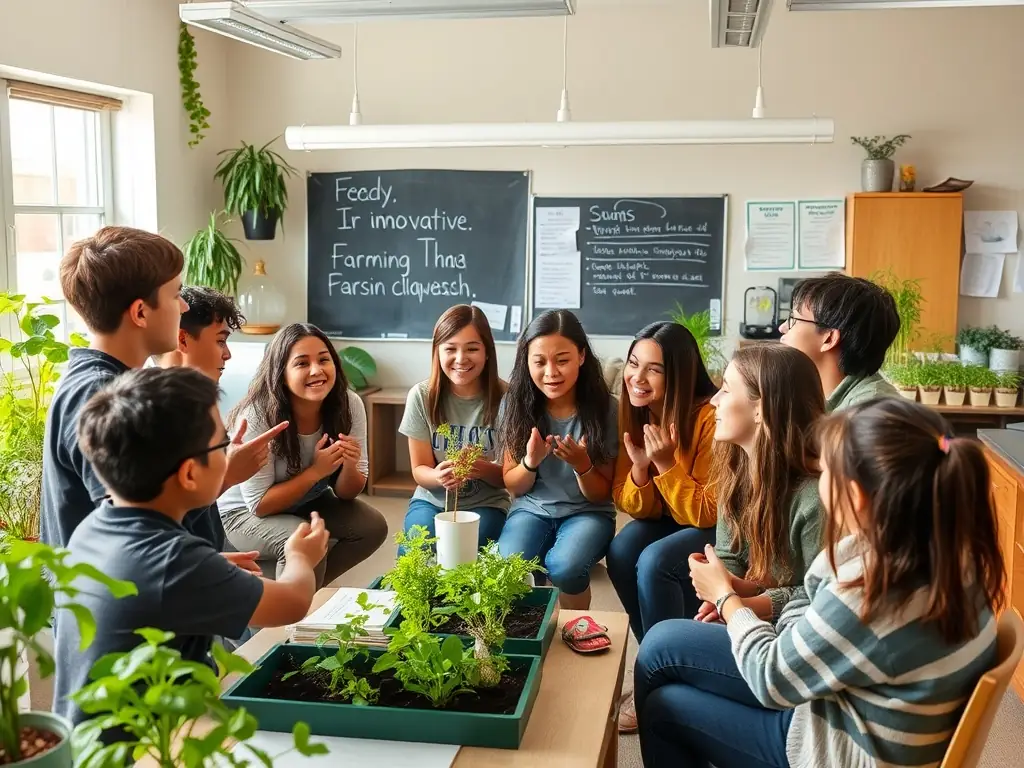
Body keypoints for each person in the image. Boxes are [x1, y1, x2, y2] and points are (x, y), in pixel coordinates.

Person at [636, 397, 1004, 768]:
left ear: (857, 497)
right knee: (662, 644)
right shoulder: (945, 553)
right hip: (846, 702)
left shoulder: (871, 591)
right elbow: (814, 609)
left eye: (825, 472)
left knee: (664, 706)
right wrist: (755, 597)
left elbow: (771, 679)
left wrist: (726, 598)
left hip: (833, 745)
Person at [53, 367, 329, 730]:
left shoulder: (93, 527)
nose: (232, 451)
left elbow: (146, 582)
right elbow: (291, 602)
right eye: (223, 443)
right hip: (148, 750)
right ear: (188, 474)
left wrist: (209, 564)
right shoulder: (175, 562)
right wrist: (299, 557)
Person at [605, 321, 719, 733]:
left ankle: (659, 678)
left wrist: (668, 465)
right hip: (670, 516)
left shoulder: (708, 417)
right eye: (634, 363)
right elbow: (630, 503)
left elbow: (707, 512)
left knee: (653, 561)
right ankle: (658, 659)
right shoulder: (634, 411)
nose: (637, 377)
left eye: (653, 369)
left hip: (717, 523)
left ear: (679, 375)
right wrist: (640, 470)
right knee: (621, 551)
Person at [221, 323, 387, 588]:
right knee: (306, 541)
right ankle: (284, 612)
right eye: (301, 363)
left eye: (324, 360)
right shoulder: (258, 416)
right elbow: (259, 505)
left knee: (371, 526)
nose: (316, 370)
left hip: (305, 500)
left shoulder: (349, 404)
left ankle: (300, 596)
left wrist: (350, 466)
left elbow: (348, 493)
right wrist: (316, 473)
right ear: (280, 374)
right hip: (242, 513)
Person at [496, 309, 618, 611]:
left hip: (588, 513)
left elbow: (601, 493)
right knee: (507, 564)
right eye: (539, 362)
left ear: (581, 356)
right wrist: (530, 462)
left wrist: (582, 465)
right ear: (526, 361)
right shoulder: (515, 405)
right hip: (531, 509)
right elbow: (513, 484)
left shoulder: (607, 410)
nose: (551, 372)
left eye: (562, 360)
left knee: (565, 566)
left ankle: (575, 631)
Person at [399, 305, 508, 548]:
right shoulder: (422, 396)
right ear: (437, 352)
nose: (461, 359)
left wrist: (480, 468)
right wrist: (438, 477)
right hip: (431, 501)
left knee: (464, 548)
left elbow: (509, 479)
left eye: (472, 348)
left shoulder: (507, 398)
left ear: (487, 352)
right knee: (416, 548)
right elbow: (419, 469)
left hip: (487, 503)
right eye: (450, 348)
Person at [780, 272, 900, 411]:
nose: (782, 328)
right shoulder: (808, 391)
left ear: (829, 339)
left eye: (793, 319)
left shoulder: (870, 415)